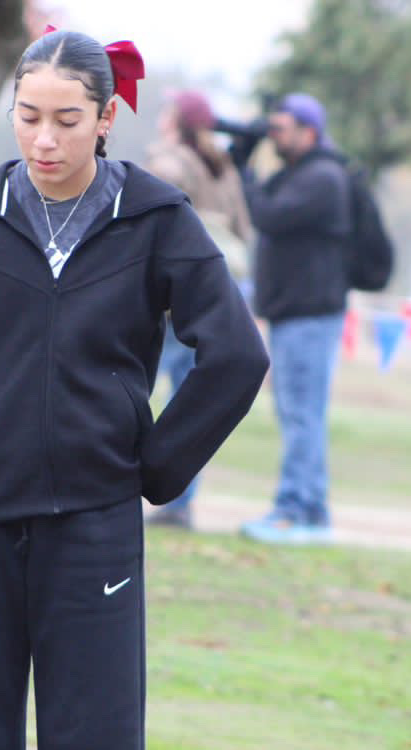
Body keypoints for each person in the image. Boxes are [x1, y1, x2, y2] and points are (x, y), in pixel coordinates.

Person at [0, 29, 269, 750]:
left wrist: (154, 468)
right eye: (28, 116)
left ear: (106, 118)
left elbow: (236, 357)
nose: (44, 140)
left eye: (65, 120)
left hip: (94, 527)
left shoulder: (156, 218)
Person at [238, 93, 352, 545]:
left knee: (301, 414)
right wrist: (245, 166)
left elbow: (265, 215)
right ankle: (311, 508)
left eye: (282, 129)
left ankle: (295, 510)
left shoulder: (323, 178)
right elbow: (264, 202)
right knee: (299, 413)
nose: (275, 136)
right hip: (295, 313)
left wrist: (244, 172)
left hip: (310, 314)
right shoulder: (299, 174)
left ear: (310, 132)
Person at [143, 89, 255, 530]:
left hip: (171, 297)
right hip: (216, 292)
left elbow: (153, 225)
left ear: (178, 120)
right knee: (191, 400)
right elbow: (245, 229)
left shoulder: (168, 164)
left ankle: (130, 490)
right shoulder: (224, 167)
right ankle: (182, 499)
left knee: (136, 388)